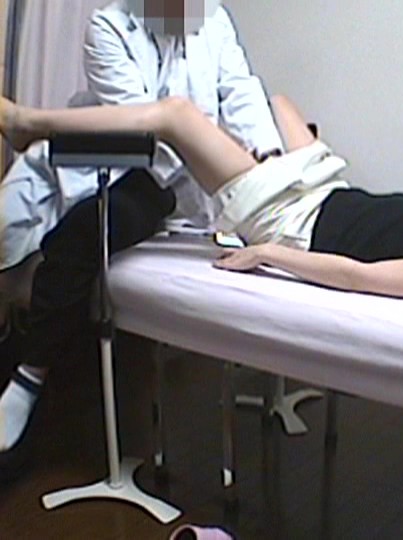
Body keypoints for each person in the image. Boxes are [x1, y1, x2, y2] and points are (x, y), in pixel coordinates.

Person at [0, 93, 403, 459]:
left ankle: (29, 125)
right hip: (324, 186)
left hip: (292, 216)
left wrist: (268, 254)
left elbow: (359, 274)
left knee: (177, 116)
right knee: (278, 101)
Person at [0, 0, 285, 474]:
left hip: (179, 178)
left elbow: (239, 90)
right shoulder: (107, 27)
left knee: (86, 232)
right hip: (126, 160)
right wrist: (218, 155)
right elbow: (144, 124)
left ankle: (30, 374)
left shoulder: (212, 19)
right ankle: (26, 362)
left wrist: (268, 157)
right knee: (62, 234)